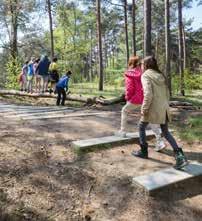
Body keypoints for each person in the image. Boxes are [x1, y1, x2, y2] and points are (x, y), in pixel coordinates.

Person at [132, 56, 188, 169]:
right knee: (165, 132)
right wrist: (164, 105)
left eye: (142, 64)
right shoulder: (160, 75)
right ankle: (180, 156)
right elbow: (167, 93)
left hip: (152, 107)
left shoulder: (146, 75)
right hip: (164, 107)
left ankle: (143, 151)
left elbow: (148, 94)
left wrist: (144, 108)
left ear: (146, 65)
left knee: (141, 126)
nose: (141, 66)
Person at [115, 56, 166, 151]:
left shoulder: (129, 74)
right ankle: (160, 141)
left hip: (135, 99)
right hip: (147, 99)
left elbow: (129, 88)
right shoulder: (144, 72)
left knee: (124, 110)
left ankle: (123, 131)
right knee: (151, 120)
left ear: (130, 63)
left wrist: (128, 97)